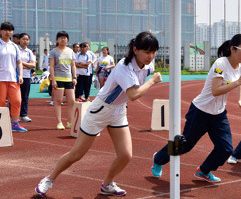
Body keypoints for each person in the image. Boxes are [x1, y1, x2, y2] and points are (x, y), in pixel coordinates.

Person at [34, 31, 162, 197]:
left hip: (118, 111)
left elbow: (130, 95)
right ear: (136, 50)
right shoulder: (124, 67)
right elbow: (133, 95)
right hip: (100, 110)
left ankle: (107, 184)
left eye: (153, 52)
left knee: (125, 155)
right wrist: (152, 81)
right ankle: (49, 179)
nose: (151, 56)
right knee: (76, 154)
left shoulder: (148, 65)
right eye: (147, 52)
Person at [152, 34, 241, 183]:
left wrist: (240, 99)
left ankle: (203, 171)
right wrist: (238, 83)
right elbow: (216, 90)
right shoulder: (220, 64)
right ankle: (158, 158)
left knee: (225, 149)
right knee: (185, 145)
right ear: (232, 48)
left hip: (218, 113)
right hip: (201, 111)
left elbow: (240, 81)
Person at [0, 22, 27, 132]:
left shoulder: (15, 47)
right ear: (1, 31)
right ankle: (1, 125)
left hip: (13, 78)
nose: (8, 32)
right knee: (1, 102)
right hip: (1, 78)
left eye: (10, 30)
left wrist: (20, 75)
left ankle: (15, 124)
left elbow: (19, 62)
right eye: (6, 30)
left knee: (17, 101)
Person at [49, 31, 77, 130]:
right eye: (61, 38)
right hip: (58, 78)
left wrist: (74, 77)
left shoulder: (71, 51)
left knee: (72, 101)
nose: (63, 39)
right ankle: (59, 122)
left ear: (67, 40)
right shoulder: (54, 52)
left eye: (65, 38)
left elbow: (73, 65)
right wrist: (53, 80)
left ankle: (69, 122)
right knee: (58, 100)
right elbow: (51, 66)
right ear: (57, 39)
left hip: (69, 79)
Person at [18, 33, 36, 122]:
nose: (25, 41)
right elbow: (14, 64)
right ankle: (13, 114)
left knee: (25, 96)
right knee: (14, 97)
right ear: (19, 40)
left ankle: (24, 115)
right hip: (15, 76)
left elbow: (33, 65)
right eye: (23, 39)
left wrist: (21, 64)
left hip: (26, 77)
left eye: (27, 39)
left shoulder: (29, 52)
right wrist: (26, 65)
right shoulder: (15, 49)